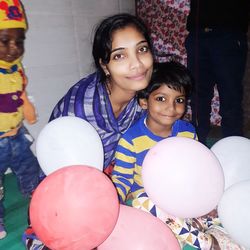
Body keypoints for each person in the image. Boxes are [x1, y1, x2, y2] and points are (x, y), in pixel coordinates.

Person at [23, 13, 154, 249]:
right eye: (120, 55)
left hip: (111, 170)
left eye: (142, 49)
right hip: (67, 183)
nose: (137, 64)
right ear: (105, 65)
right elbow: (67, 175)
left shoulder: (144, 95)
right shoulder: (83, 107)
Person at [111, 61, 244, 250]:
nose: (171, 107)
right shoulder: (130, 140)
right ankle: (206, 242)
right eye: (161, 99)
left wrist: (210, 199)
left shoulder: (187, 132)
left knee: (227, 202)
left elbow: (201, 168)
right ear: (143, 101)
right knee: (142, 202)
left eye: (179, 100)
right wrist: (114, 202)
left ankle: (204, 224)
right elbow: (122, 178)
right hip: (153, 203)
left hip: (188, 198)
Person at [0, 0, 43, 239]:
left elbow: (21, 93)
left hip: (16, 134)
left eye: (19, 41)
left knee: (30, 171)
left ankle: (39, 199)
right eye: (5, 40)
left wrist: (27, 106)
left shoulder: (16, 68)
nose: (13, 48)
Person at [185, 0, 249, 144]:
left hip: (229, 33)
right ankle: (197, 148)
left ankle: (233, 152)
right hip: (198, 34)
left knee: (230, 98)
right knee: (197, 98)